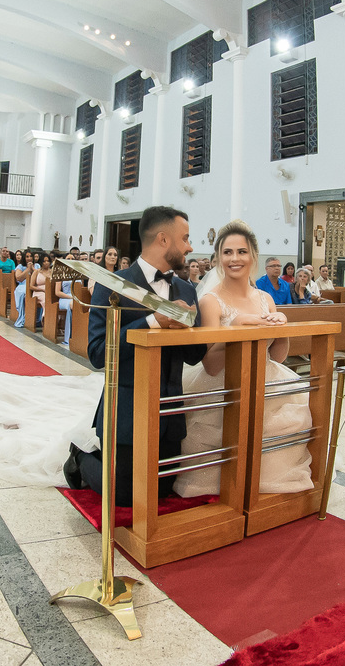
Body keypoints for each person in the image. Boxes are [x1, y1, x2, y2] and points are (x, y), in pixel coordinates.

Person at [64, 206, 206, 507]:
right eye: (185, 238)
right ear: (163, 240)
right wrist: (153, 321)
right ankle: (80, 457)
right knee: (125, 494)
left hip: (169, 411)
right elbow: (98, 353)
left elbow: (195, 357)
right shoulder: (113, 284)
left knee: (161, 490)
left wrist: (191, 328)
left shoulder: (186, 289)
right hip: (126, 410)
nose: (190, 247)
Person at [174, 220, 313, 497]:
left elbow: (277, 357)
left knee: (292, 416)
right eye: (227, 252)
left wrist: (281, 328)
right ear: (218, 257)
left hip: (265, 376)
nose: (234, 259)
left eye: (241, 251)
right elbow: (211, 366)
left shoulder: (265, 298)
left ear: (253, 256)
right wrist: (235, 328)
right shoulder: (211, 301)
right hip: (224, 383)